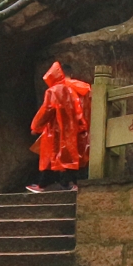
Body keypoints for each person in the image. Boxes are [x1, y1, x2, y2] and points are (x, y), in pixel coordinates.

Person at [27, 61, 91, 192]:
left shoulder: (55, 90)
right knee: (73, 158)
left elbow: (47, 110)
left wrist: (36, 127)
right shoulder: (83, 89)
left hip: (57, 130)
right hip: (78, 130)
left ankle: (46, 184)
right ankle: (72, 184)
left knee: (53, 157)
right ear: (71, 74)